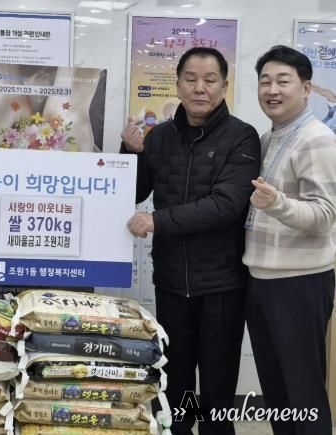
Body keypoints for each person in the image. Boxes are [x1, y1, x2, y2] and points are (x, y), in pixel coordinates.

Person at [120, 47, 261, 435]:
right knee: (175, 388)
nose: (200, 88)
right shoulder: (160, 137)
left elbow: (226, 205)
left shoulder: (242, 137)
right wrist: (131, 153)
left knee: (217, 392)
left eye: (210, 80)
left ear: (224, 87)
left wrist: (157, 220)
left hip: (221, 286)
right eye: (191, 79)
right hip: (170, 283)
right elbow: (134, 192)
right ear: (178, 85)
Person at [244, 45, 336, 435]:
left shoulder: (317, 139)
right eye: (265, 81)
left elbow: (325, 215)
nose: (272, 90)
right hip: (263, 281)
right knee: (278, 394)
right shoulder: (270, 137)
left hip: (299, 283)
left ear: (306, 88)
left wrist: (278, 204)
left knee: (304, 394)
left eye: (283, 81)